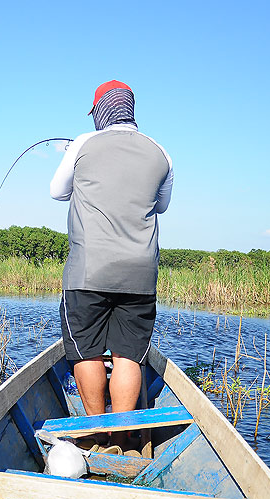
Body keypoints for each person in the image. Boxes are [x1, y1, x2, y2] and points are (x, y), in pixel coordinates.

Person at [49, 80, 173, 451]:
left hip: (88, 271)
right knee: (127, 356)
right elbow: (162, 206)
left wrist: (73, 154)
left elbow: (57, 191)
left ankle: (97, 434)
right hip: (139, 275)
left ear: (101, 110)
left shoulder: (84, 142)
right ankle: (122, 437)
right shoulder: (162, 152)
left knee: (85, 351)